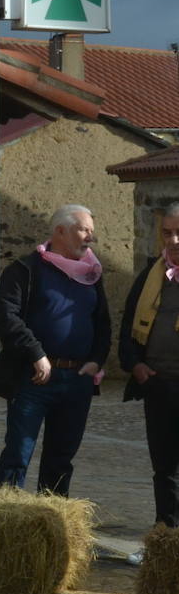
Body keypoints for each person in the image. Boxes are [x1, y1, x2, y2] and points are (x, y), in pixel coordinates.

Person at [0, 204, 110, 495]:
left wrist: (95, 360)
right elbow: (3, 316)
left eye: (92, 232)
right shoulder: (26, 270)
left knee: (60, 459)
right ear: (60, 231)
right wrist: (36, 354)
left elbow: (103, 323)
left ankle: (52, 522)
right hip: (34, 378)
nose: (90, 238)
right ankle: (4, 519)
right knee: (18, 453)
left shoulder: (91, 274)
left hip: (76, 380)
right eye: (84, 230)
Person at [118, 203, 179, 528]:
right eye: (168, 232)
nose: (174, 240)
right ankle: (165, 534)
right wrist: (136, 366)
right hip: (159, 385)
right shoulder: (150, 276)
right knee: (165, 467)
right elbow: (128, 327)